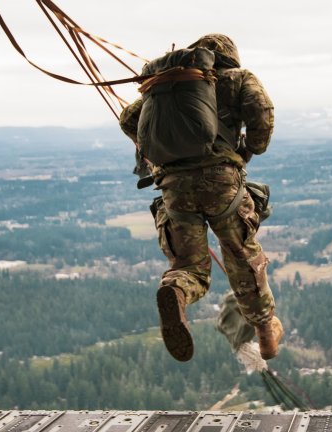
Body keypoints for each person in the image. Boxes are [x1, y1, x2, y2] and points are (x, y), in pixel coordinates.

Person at [119, 34, 281, 362]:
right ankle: (265, 332)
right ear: (230, 57)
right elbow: (261, 119)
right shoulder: (238, 79)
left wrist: (164, 155)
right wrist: (248, 149)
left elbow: (128, 120)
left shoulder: (169, 86)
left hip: (174, 190)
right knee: (243, 258)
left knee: (189, 266)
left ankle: (176, 291)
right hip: (223, 186)